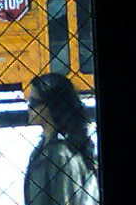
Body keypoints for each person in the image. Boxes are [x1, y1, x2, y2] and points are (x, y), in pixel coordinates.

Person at [25, 73, 99, 205]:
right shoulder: (46, 147)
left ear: (51, 105)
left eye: (33, 102)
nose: (29, 107)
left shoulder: (61, 155)